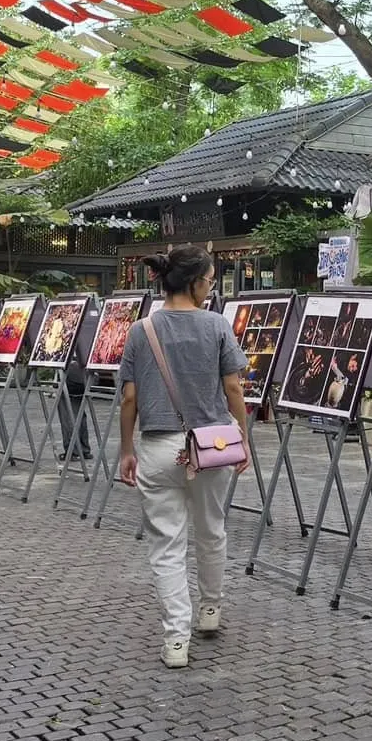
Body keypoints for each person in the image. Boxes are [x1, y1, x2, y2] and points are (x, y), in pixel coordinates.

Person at [117, 246, 249, 669]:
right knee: (212, 530)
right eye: (209, 281)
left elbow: (130, 398)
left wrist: (126, 449)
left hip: (158, 447)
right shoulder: (216, 325)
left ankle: (176, 639)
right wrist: (244, 438)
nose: (210, 288)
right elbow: (233, 388)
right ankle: (210, 608)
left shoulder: (142, 330)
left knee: (166, 545)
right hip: (211, 447)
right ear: (194, 283)